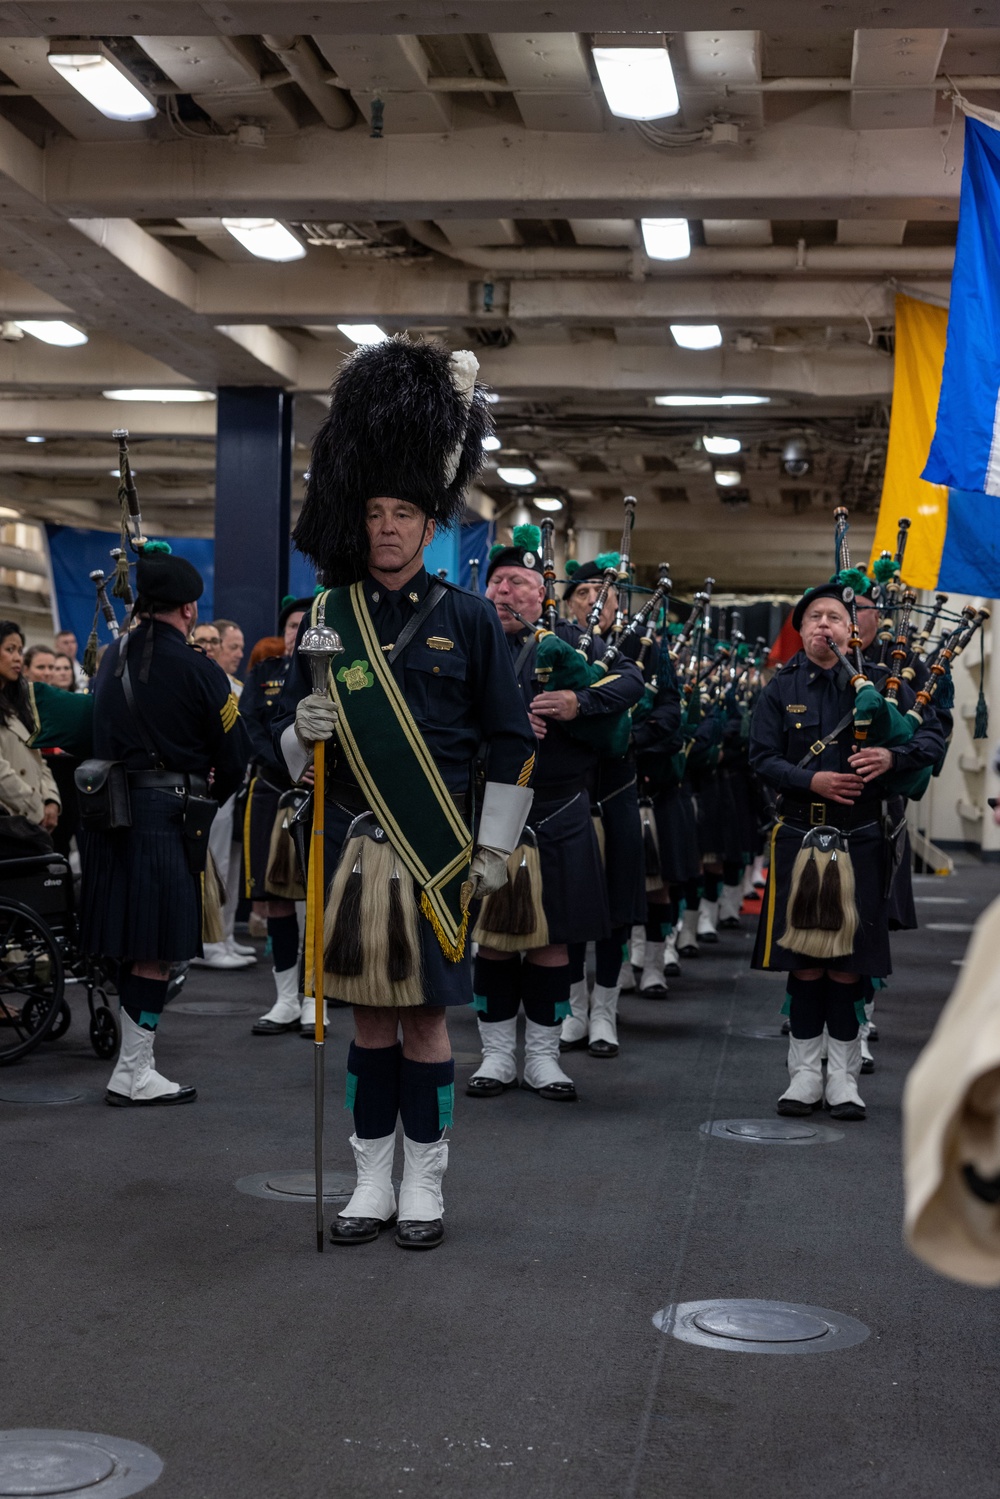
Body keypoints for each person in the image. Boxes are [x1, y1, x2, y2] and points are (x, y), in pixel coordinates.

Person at [275, 336, 535, 1251]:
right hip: (350, 852)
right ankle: (369, 1181)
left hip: (440, 855)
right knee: (369, 1023)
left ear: (432, 527)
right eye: (376, 512)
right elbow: (275, 750)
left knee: (426, 1022)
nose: (387, 527)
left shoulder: (468, 618)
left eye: (404, 515)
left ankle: (425, 1184)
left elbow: (510, 739)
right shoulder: (323, 620)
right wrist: (295, 732)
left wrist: (497, 846)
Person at [79, 544, 251, 1107]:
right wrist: (209, 798)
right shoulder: (201, 671)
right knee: (154, 950)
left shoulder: (111, 658)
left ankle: (133, 1067)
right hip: (167, 815)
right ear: (190, 611)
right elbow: (234, 757)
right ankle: (134, 1071)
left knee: (131, 946)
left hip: (112, 812)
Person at [473, 530, 644, 1094]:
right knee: (493, 938)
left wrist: (578, 702)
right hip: (487, 807)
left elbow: (631, 681)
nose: (504, 591)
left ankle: (544, 1056)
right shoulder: (466, 643)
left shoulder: (573, 642)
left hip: (559, 806)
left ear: (541, 592)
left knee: (554, 939)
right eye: (497, 581)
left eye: (517, 583)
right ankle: (496, 1055)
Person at [748, 581, 917, 1122]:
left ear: (853, 630)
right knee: (805, 966)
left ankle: (842, 1078)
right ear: (801, 630)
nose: (825, 624)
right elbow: (761, 758)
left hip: (861, 837)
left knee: (847, 967)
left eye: (836, 617)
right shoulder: (780, 689)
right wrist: (811, 780)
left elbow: (921, 742)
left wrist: (891, 761)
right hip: (799, 835)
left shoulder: (882, 687)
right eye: (814, 617)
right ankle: (802, 1075)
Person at [559, 553, 649, 1057]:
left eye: (604, 594)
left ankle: (605, 1012)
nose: (594, 601)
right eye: (583, 593)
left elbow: (668, 712)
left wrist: (630, 734)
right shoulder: (557, 646)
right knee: (573, 904)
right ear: (571, 604)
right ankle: (574, 1007)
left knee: (616, 908)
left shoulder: (642, 649)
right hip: (570, 787)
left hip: (618, 786)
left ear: (620, 602)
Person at [242, 595, 315, 1034]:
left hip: (324, 797)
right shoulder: (263, 675)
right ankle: (286, 998)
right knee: (276, 899)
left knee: (320, 898)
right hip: (273, 790)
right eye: (289, 626)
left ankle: (314, 997)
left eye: (302, 626)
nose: (294, 633)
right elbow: (249, 726)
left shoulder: (331, 674)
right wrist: (292, 764)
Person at [0, 622, 59, 833]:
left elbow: (38, 761)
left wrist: (52, 800)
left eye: (19, 650)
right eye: (9, 650)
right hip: (10, 822)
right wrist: (36, 808)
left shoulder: (17, 706)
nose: (17, 658)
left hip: (29, 823)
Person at [213, 620, 245, 694]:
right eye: (233, 647)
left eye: (241, 648)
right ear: (216, 645)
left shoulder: (240, 690)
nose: (240, 655)